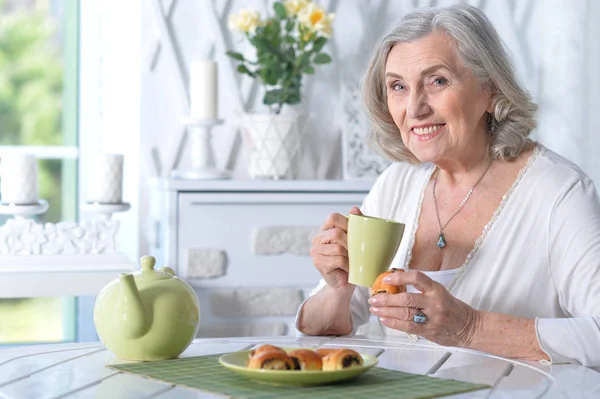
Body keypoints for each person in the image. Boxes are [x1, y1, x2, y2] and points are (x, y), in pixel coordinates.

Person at [295, 4, 600, 367]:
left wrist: (470, 327)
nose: (414, 108)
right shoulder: (396, 184)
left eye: (437, 81)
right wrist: (338, 288)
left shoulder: (559, 192)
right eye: (398, 86)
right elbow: (317, 331)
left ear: (490, 89)